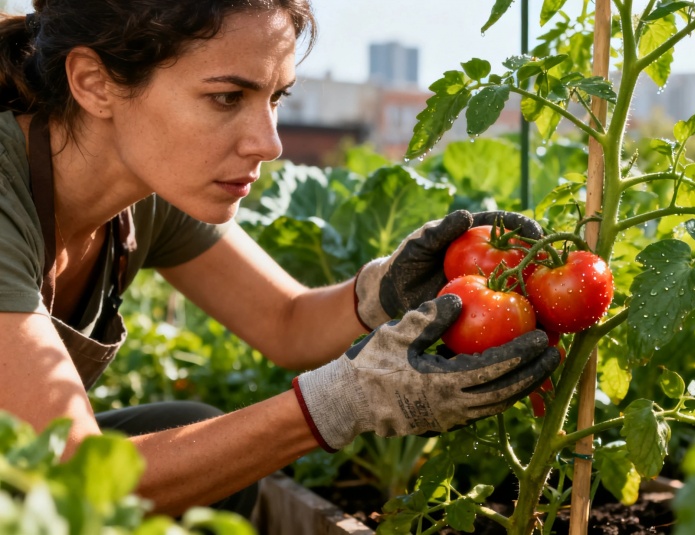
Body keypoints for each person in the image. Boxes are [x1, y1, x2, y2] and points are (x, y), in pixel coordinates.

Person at [0, 0, 559, 519]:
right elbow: (73, 473)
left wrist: (385, 288)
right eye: (226, 98)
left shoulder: (146, 190)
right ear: (94, 83)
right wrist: (348, 398)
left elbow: (287, 322)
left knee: (195, 438)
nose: (269, 143)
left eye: (275, 98)